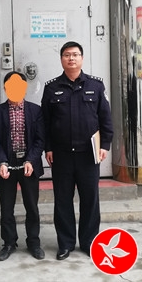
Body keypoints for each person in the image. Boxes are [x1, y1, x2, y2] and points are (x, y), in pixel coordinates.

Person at [41, 41, 113, 260]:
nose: (71, 58)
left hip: (88, 154)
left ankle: (89, 242)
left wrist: (105, 145)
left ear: (81, 58)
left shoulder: (95, 86)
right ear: (61, 59)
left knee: (90, 199)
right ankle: (65, 243)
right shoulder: (52, 88)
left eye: (75, 55)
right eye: (66, 55)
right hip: (61, 155)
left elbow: (105, 118)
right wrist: (48, 148)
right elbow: (44, 122)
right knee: (63, 200)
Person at [0, 71, 46, 261]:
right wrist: (1, 162)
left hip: (29, 164)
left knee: (32, 206)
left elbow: (40, 140)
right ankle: (9, 243)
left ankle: (34, 242)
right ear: (5, 89)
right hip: (7, 165)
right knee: (6, 208)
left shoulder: (36, 110)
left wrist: (31, 160)